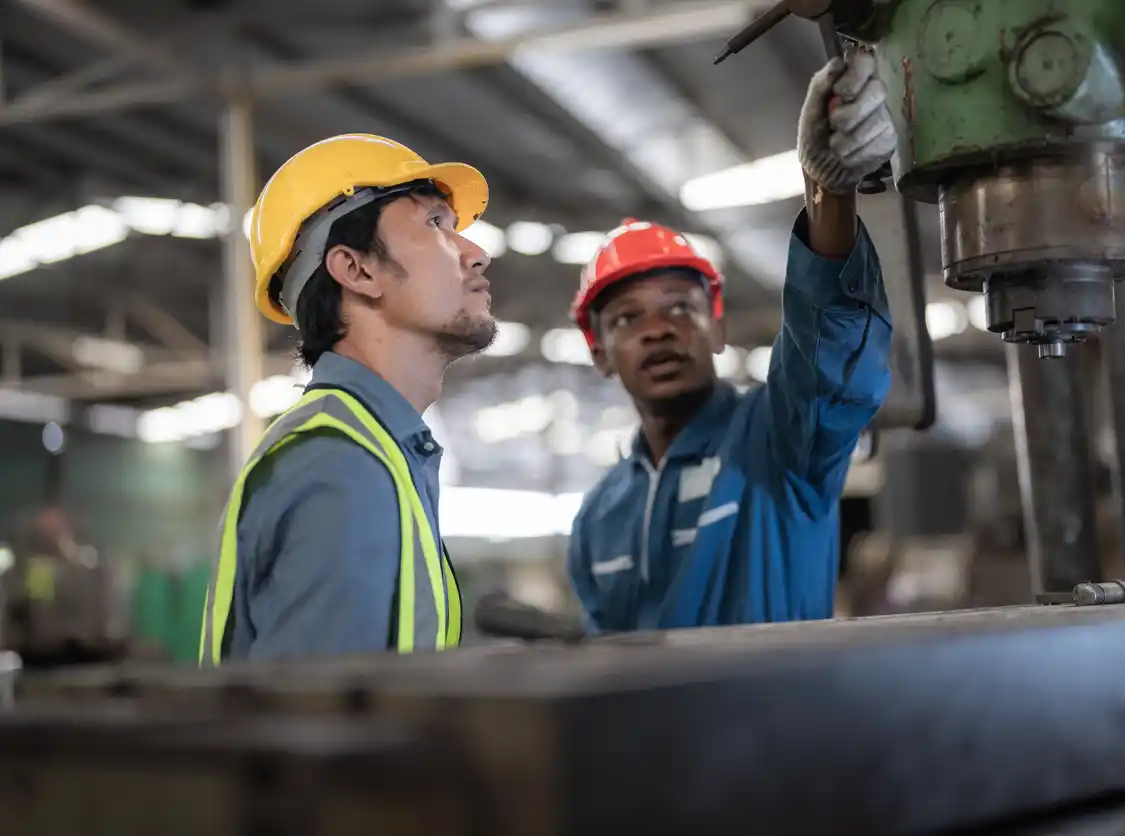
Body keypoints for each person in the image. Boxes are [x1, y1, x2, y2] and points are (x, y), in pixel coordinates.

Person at [566, 52, 895, 631]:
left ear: (716, 328)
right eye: (626, 319)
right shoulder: (599, 517)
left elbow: (828, 357)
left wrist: (827, 191)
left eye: (680, 308)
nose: (658, 329)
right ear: (599, 353)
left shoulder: (781, 442)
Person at [199, 133, 495, 665]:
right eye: (435, 223)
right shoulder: (338, 465)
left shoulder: (376, 450)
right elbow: (318, 716)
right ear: (356, 270)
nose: (476, 254)